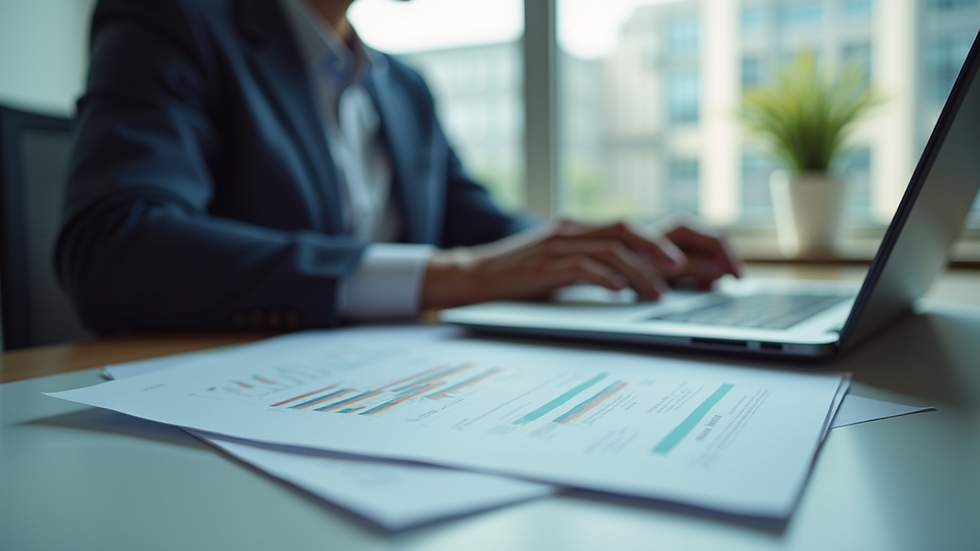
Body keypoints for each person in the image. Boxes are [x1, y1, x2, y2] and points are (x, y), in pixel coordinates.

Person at [56, 0, 742, 334]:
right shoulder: (174, 20)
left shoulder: (401, 88)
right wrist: (459, 274)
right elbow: (115, 245)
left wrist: (623, 254)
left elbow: (487, 230)